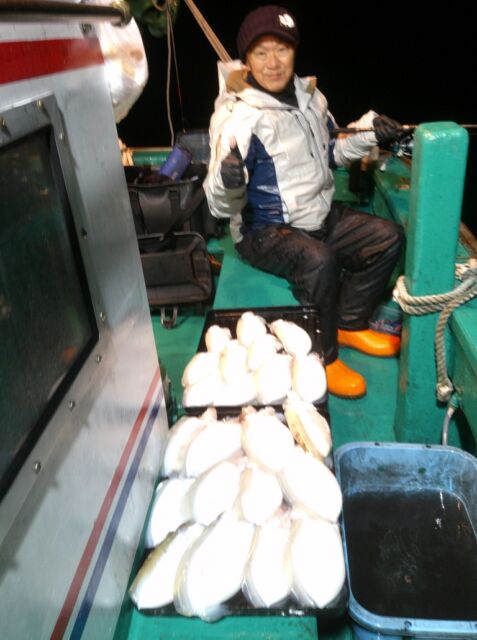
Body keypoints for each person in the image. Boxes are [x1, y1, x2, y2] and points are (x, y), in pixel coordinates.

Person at [204, 4, 404, 398]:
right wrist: (228, 182)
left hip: (318, 216)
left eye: (282, 50)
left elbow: (333, 152)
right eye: (261, 52)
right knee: (319, 261)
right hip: (264, 231)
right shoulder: (238, 117)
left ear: (295, 51)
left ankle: (348, 323)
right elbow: (219, 205)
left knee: (387, 238)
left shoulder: (310, 98)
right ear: (246, 60)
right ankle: (321, 357)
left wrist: (370, 134)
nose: (273, 63)